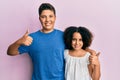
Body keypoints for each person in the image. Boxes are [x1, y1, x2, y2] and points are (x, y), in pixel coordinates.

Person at [7, 3, 65, 80]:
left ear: (55, 18)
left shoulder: (64, 36)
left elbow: (78, 50)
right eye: (43, 17)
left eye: (50, 16)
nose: (47, 20)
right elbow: (10, 52)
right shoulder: (31, 38)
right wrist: (19, 42)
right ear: (39, 18)